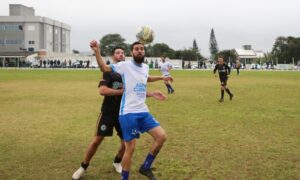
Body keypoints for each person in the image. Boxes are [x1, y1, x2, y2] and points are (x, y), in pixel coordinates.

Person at [90, 40, 172, 180]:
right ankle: (125, 178)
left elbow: (146, 78)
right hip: (128, 113)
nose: (139, 51)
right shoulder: (124, 66)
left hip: (143, 111)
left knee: (161, 137)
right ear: (132, 52)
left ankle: (145, 167)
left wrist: (161, 77)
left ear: (144, 52)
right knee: (130, 148)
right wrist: (97, 51)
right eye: (136, 49)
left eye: (141, 49)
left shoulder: (145, 67)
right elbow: (104, 68)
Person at [72, 47, 126, 180]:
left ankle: (117, 162)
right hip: (108, 113)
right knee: (97, 141)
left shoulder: (129, 72)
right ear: (113, 57)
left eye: (123, 53)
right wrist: (122, 91)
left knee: (126, 142)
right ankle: (82, 167)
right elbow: (103, 91)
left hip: (124, 113)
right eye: (118, 53)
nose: (121, 54)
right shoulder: (108, 71)